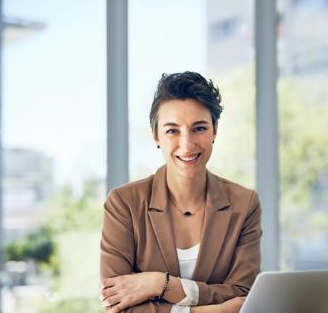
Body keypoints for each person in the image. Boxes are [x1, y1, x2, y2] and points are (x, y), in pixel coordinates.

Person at [99, 71, 262, 313]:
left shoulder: (244, 204)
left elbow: (244, 298)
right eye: (172, 131)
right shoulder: (124, 203)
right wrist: (210, 309)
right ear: (156, 135)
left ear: (214, 131)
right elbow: (116, 304)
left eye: (199, 128)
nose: (187, 144)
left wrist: (160, 284)